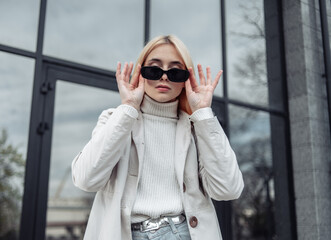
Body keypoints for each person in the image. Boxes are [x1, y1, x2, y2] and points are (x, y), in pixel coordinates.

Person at [72, 35, 244, 240]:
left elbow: (228, 189)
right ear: (140, 73)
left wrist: (203, 114)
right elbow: (86, 180)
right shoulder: (114, 120)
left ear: (185, 81)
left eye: (175, 72)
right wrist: (128, 108)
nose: (164, 77)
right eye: (153, 70)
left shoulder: (196, 128)